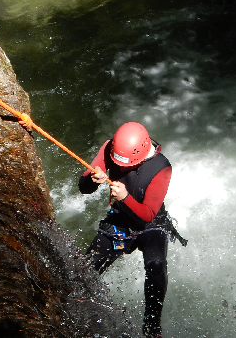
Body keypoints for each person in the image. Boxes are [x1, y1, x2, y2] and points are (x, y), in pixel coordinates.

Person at [79, 122, 186, 338]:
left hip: (151, 225)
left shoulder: (162, 166)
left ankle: (152, 326)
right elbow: (83, 188)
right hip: (119, 222)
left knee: (156, 265)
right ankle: (80, 309)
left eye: (126, 165)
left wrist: (125, 197)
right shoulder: (111, 148)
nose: (122, 168)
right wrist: (93, 179)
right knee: (84, 270)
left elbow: (147, 215)